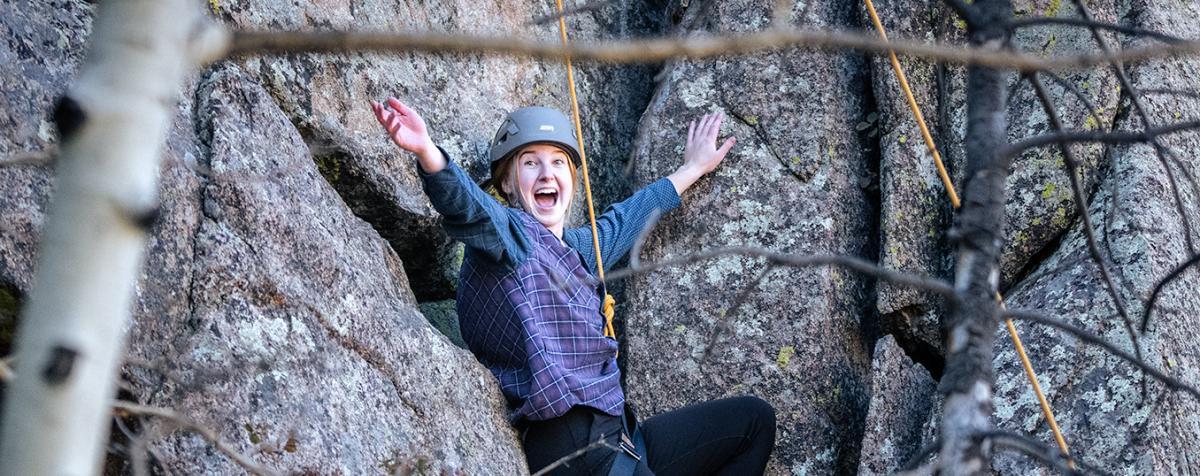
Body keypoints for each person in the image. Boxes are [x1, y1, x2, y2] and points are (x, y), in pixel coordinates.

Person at [371, 97, 776, 475]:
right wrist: (428, 154)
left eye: (558, 163)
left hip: (621, 435)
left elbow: (625, 220)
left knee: (753, 422)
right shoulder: (510, 235)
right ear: (508, 185)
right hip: (573, 444)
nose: (547, 173)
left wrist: (693, 168)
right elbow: (472, 209)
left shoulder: (579, 249)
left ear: (572, 179)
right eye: (530, 163)